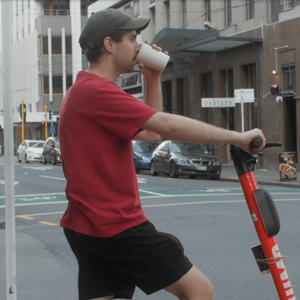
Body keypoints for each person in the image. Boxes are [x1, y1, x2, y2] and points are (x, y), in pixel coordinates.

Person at [58, 8, 266, 300]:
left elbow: (150, 134)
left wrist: (153, 79)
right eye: (132, 38)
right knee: (200, 291)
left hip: (88, 227)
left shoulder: (84, 90)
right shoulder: (97, 91)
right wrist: (238, 137)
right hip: (116, 225)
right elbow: (165, 125)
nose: (138, 46)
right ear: (109, 45)